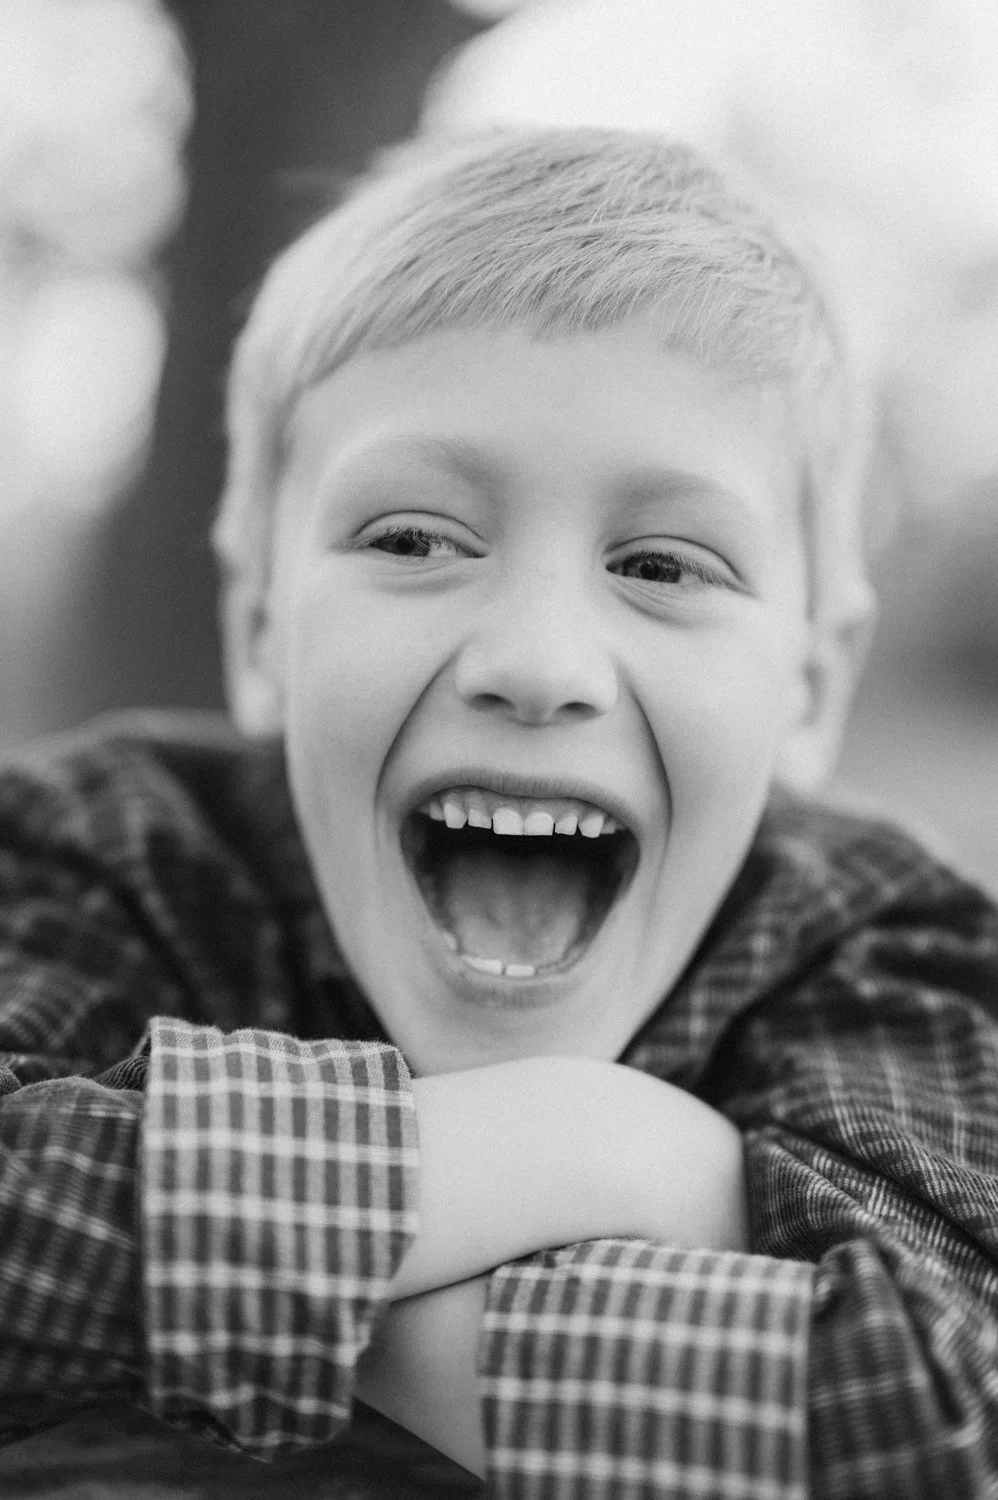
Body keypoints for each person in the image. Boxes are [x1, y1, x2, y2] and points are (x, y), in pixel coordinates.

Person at [1, 126, 996, 1498]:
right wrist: (594, 1148)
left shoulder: (882, 946)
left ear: (808, 686)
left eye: (660, 563)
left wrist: (249, 1280)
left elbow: (929, 1420)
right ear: (258, 623)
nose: (533, 664)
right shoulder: (98, 847)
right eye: (413, 541)